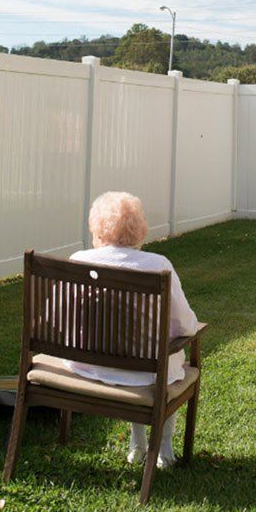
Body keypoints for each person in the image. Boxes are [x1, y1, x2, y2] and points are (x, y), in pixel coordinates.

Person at [65, 191, 199, 469]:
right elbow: (186, 325)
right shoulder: (158, 266)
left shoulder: (79, 260)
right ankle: (163, 447)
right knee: (172, 365)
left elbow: (56, 316)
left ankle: (137, 444)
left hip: (87, 366)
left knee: (151, 361)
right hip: (146, 373)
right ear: (139, 229)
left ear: (97, 228)